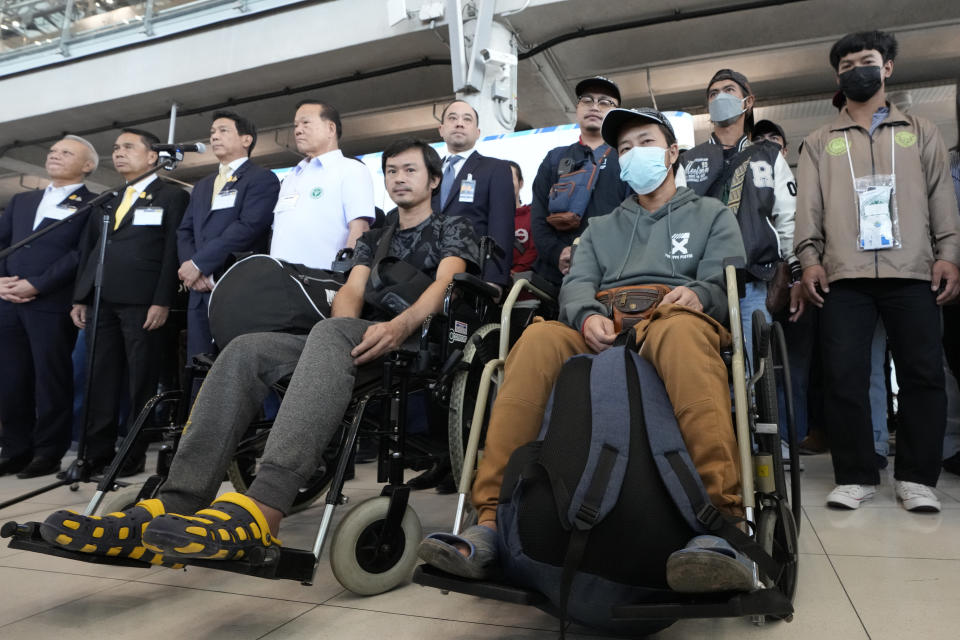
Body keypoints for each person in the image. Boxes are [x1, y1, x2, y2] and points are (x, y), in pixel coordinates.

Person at [40, 138, 480, 565]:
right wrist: (339, 329)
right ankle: (177, 500)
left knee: (328, 337)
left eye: (410, 170)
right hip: (354, 336)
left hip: (419, 335)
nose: (399, 178)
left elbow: (447, 283)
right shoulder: (375, 237)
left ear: (435, 180)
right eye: (391, 171)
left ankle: (265, 507)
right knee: (247, 349)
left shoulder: (453, 226)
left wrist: (398, 324)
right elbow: (352, 288)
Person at [419, 107, 754, 593]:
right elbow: (577, 284)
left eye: (644, 142)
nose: (633, 154)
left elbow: (725, 282)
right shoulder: (600, 227)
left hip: (672, 318)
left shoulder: (711, 214)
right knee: (536, 339)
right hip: (602, 321)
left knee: (683, 335)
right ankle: (490, 520)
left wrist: (701, 295)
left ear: (672, 153)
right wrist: (584, 314)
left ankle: (721, 526)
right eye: (623, 149)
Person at [794, 30, 960, 512]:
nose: (856, 71)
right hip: (844, 275)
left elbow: (941, 200)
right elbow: (809, 207)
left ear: (887, 67)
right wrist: (810, 259)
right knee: (844, 376)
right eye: (846, 66)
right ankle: (856, 474)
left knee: (922, 374)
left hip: (913, 271)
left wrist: (948, 253)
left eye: (865, 61)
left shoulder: (922, 131)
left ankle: (916, 478)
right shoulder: (820, 141)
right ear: (838, 77)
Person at [71, 129, 190, 476]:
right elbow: (90, 251)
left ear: (153, 156)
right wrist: (81, 295)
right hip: (102, 300)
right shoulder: (107, 198)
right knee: (100, 377)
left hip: (144, 302)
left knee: (141, 380)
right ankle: (95, 453)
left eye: (128, 147)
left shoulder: (170, 195)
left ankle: (132, 455)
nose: (119, 153)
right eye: (115, 148)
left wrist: (162, 300)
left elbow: (171, 252)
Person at [0, 136, 100, 478]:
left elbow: (80, 255)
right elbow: (2, 242)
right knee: (11, 379)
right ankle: (15, 449)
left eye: (66, 153)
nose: (55, 156)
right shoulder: (22, 200)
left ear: (87, 165)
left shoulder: (94, 203)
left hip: (51, 303)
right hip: (9, 301)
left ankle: (48, 452)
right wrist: (1, 281)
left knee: (50, 380)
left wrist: (38, 283)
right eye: (53, 151)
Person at [681, 70, 799, 356]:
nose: (720, 96)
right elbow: (677, 220)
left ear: (748, 101)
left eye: (729, 90)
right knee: (704, 367)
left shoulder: (769, 154)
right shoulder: (689, 159)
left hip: (754, 279)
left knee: (755, 369)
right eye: (713, 93)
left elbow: (787, 217)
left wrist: (795, 271)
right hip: (699, 283)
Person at [177, 111, 280, 360]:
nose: (214, 137)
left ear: (246, 140)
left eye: (223, 131)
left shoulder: (261, 178)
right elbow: (185, 230)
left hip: (235, 283)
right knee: (198, 364)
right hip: (199, 289)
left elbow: (248, 227)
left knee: (234, 364)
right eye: (212, 132)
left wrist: (201, 264)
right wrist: (192, 268)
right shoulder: (203, 185)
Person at [530, 76, 630, 286]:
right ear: (577, 108)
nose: (594, 106)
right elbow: (538, 216)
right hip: (555, 277)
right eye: (587, 100)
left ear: (617, 112)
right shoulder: (554, 158)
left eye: (604, 102)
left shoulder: (627, 159)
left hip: (612, 275)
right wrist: (557, 253)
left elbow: (634, 219)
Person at [269, 99, 374, 269]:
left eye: (305, 123)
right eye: (296, 125)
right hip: (280, 281)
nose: (298, 131)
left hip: (323, 282)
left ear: (330, 128)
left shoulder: (351, 169)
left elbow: (359, 229)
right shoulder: (291, 177)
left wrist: (345, 277)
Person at [430, 99, 515, 287]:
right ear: (441, 129)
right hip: (425, 271)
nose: (459, 123)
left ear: (478, 133)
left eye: (467, 119)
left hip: (471, 272)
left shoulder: (495, 168)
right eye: (452, 118)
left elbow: (501, 226)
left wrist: (495, 280)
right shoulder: (428, 172)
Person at [507, 160, 537, 274]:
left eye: (509, 178)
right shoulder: (486, 219)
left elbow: (535, 250)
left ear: (521, 183)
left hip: (522, 285)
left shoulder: (533, 215)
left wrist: (516, 271)